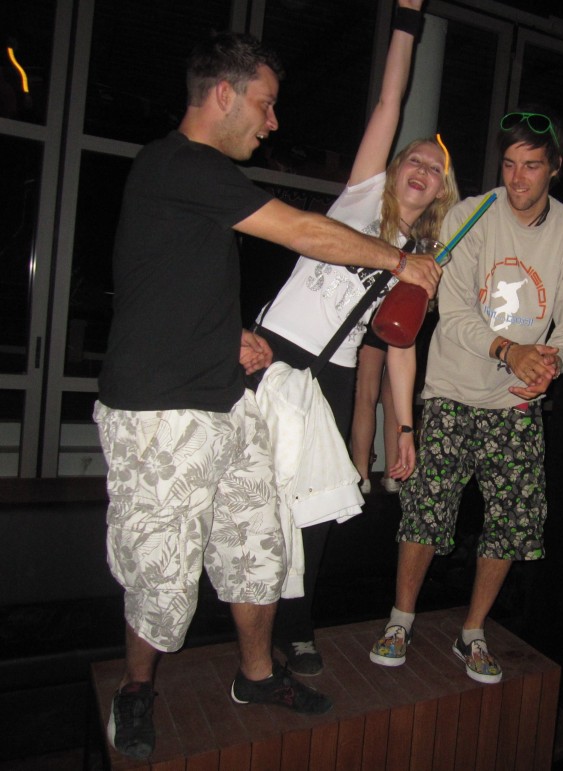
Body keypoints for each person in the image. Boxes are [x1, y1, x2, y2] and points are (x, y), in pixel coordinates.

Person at [93, 29, 441, 761]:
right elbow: (299, 231)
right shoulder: (181, 163)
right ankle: (136, 687)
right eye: (266, 103)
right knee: (162, 569)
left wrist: (233, 336)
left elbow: (166, 282)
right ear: (224, 95)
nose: (272, 121)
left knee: (259, 543)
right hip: (158, 409)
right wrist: (398, 261)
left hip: (226, 396)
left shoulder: (191, 180)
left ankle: (256, 674)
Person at [255, 0, 459, 677]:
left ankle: (296, 626)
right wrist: (407, 17)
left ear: (439, 192)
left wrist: (403, 428)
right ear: (395, 168)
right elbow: (389, 101)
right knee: (251, 492)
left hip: (334, 376)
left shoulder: (423, 259)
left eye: (435, 168)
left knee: (312, 510)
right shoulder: (360, 201)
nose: (423, 168)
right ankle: (237, 619)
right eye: (415, 159)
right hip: (275, 350)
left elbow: (401, 346)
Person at [370, 107, 563, 684]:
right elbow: (453, 313)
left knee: (512, 519)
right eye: (509, 164)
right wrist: (509, 350)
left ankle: (472, 631)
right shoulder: (470, 215)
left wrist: (552, 361)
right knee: (426, 508)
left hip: (517, 400)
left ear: (555, 167)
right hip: (452, 387)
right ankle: (401, 619)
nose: (517, 178)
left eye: (532, 166)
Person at [351, 325, 402, 495]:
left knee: (365, 396)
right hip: (406, 319)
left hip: (375, 320)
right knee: (396, 399)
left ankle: (362, 477)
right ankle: (392, 476)